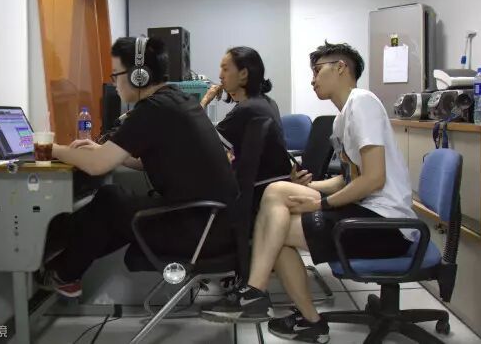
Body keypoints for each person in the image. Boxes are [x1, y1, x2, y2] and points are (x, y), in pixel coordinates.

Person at [202, 41, 417, 344]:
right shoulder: (342, 118)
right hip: (366, 212)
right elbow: (348, 180)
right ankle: (292, 312)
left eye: (317, 70)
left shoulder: (362, 102)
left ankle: (257, 295)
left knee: (274, 222)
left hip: (386, 225)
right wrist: (307, 188)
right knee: (277, 207)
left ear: (341, 67)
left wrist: (322, 204)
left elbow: (374, 179)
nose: (312, 79)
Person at [38, 36, 239, 298]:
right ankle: (64, 264)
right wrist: (111, 153)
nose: (114, 81)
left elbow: (97, 167)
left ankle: (63, 270)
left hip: (200, 230)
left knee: (110, 202)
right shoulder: (177, 100)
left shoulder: (153, 109)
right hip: (214, 223)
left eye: (116, 74)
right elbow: (159, 159)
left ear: (139, 76)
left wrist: (48, 148)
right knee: (114, 204)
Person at [200, 46, 295, 209]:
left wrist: (205, 100)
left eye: (225, 69)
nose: (220, 75)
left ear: (243, 74)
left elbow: (201, 141)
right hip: (273, 187)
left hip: (255, 194)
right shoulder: (267, 102)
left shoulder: (246, 109)